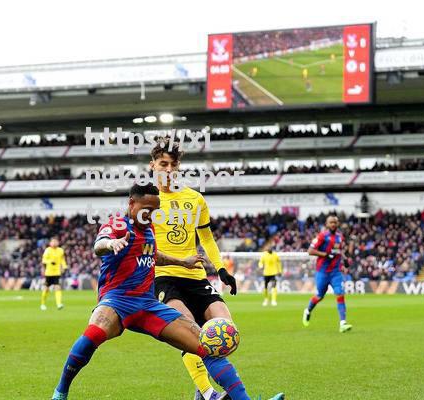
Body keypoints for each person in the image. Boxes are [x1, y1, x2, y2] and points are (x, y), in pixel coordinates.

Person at [50, 183, 284, 400]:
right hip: (116, 301)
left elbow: (153, 255)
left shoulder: (149, 228)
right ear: (132, 203)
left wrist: (183, 262)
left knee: (206, 345)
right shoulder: (117, 225)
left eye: (156, 209)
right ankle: (60, 392)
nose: (152, 214)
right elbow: (99, 244)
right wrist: (111, 244)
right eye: (147, 208)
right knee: (93, 334)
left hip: (148, 304)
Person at [149, 138, 242, 400]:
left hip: (196, 276)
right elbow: (140, 246)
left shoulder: (194, 199)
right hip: (163, 277)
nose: (168, 169)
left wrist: (221, 269)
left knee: (226, 331)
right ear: (152, 165)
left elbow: (207, 237)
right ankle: (209, 391)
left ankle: (203, 392)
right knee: (190, 331)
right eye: (162, 164)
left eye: (173, 164)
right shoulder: (146, 201)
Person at [302, 215, 352, 333]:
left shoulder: (340, 237)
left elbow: (339, 251)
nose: (333, 224)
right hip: (323, 272)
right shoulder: (322, 236)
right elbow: (310, 251)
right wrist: (325, 255)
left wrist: (344, 262)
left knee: (340, 293)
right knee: (320, 296)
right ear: (327, 224)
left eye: (335, 222)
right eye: (331, 222)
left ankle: (342, 323)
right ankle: (308, 310)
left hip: (335, 272)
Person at [41, 237, 68, 310]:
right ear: (50, 243)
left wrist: (64, 266)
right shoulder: (48, 250)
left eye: (56, 241)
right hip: (49, 272)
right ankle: (43, 304)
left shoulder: (60, 250)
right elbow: (44, 260)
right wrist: (50, 262)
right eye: (53, 241)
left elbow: (62, 260)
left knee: (57, 287)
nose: (55, 243)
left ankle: (59, 304)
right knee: (46, 289)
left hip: (57, 272)